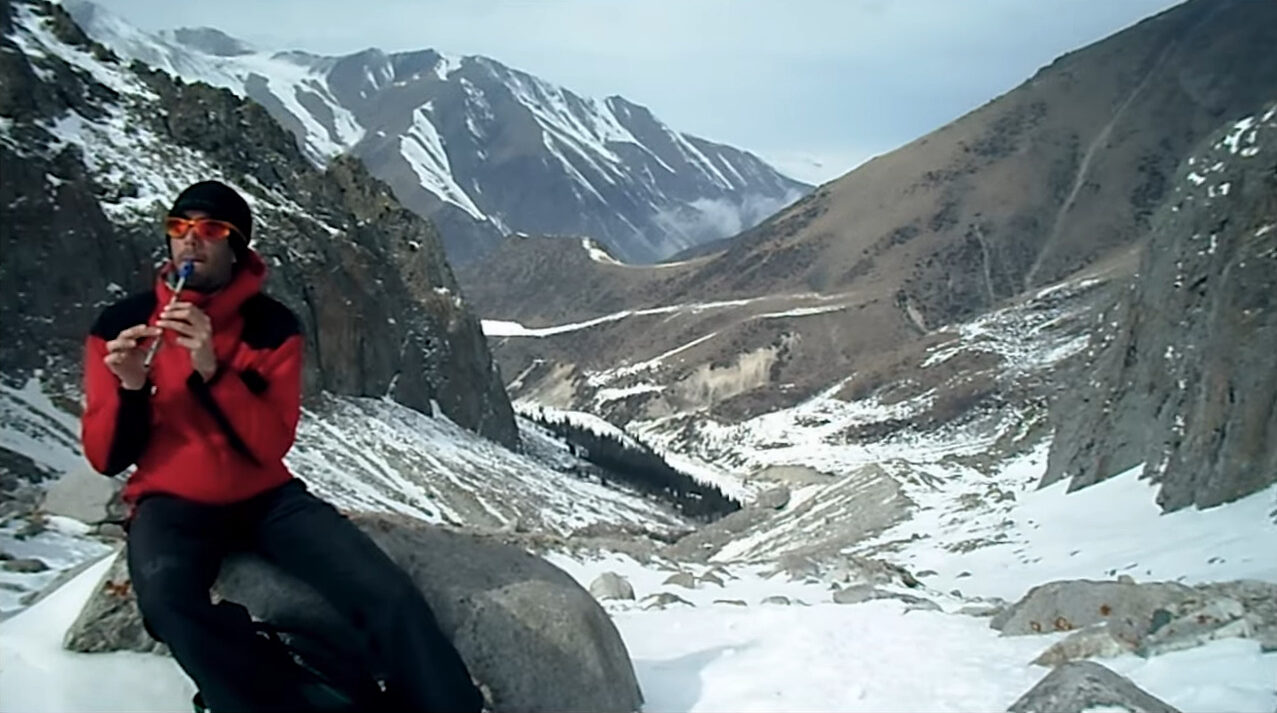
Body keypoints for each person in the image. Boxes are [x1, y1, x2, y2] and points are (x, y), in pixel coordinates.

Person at [81, 180, 484, 712]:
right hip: (170, 500)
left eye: (209, 230)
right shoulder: (119, 325)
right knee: (168, 605)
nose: (190, 242)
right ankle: (286, 695)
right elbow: (106, 456)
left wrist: (212, 369)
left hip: (266, 497)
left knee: (383, 591)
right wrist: (131, 387)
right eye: (179, 229)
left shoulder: (271, 327)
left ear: (236, 245)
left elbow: (269, 443)